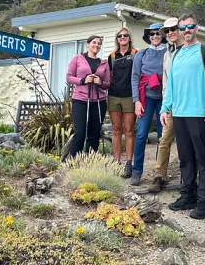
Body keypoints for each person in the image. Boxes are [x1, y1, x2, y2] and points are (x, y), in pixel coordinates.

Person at [160, 14, 205, 219]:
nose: (186, 30)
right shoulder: (175, 55)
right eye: (182, 27)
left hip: (200, 114)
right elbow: (171, 86)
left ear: (197, 28)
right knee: (185, 158)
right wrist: (164, 108)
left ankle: (204, 202)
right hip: (178, 113)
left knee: (202, 158)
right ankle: (188, 195)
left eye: (190, 26)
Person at [130, 23, 167, 186]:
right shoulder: (141, 54)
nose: (155, 36)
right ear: (148, 36)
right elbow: (135, 77)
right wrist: (136, 101)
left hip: (164, 98)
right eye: (152, 34)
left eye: (158, 33)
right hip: (146, 97)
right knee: (141, 134)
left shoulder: (169, 53)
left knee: (163, 137)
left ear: (162, 35)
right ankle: (137, 171)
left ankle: (160, 174)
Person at [148, 17, 182, 192]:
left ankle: (189, 178)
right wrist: (165, 106)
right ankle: (159, 176)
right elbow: (166, 82)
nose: (170, 33)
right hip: (171, 104)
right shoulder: (167, 53)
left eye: (173, 29)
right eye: (167, 31)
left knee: (187, 143)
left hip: (189, 105)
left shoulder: (194, 49)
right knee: (164, 140)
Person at [66, 35, 111, 157]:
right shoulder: (78, 59)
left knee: (94, 133)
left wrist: (100, 82)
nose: (96, 45)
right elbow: (69, 77)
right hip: (80, 100)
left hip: (98, 102)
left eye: (99, 43)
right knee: (80, 132)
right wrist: (82, 80)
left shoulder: (104, 63)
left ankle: (90, 162)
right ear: (88, 44)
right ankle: (74, 162)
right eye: (94, 43)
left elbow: (107, 83)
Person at [107, 27, 137, 177]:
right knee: (116, 129)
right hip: (113, 96)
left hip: (130, 96)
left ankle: (129, 163)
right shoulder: (112, 56)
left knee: (129, 130)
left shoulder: (136, 54)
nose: (123, 37)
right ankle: (117, 161)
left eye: (125, 35)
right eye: (120, 36)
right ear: (117, 39)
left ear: (129, 38)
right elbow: (109, 76)